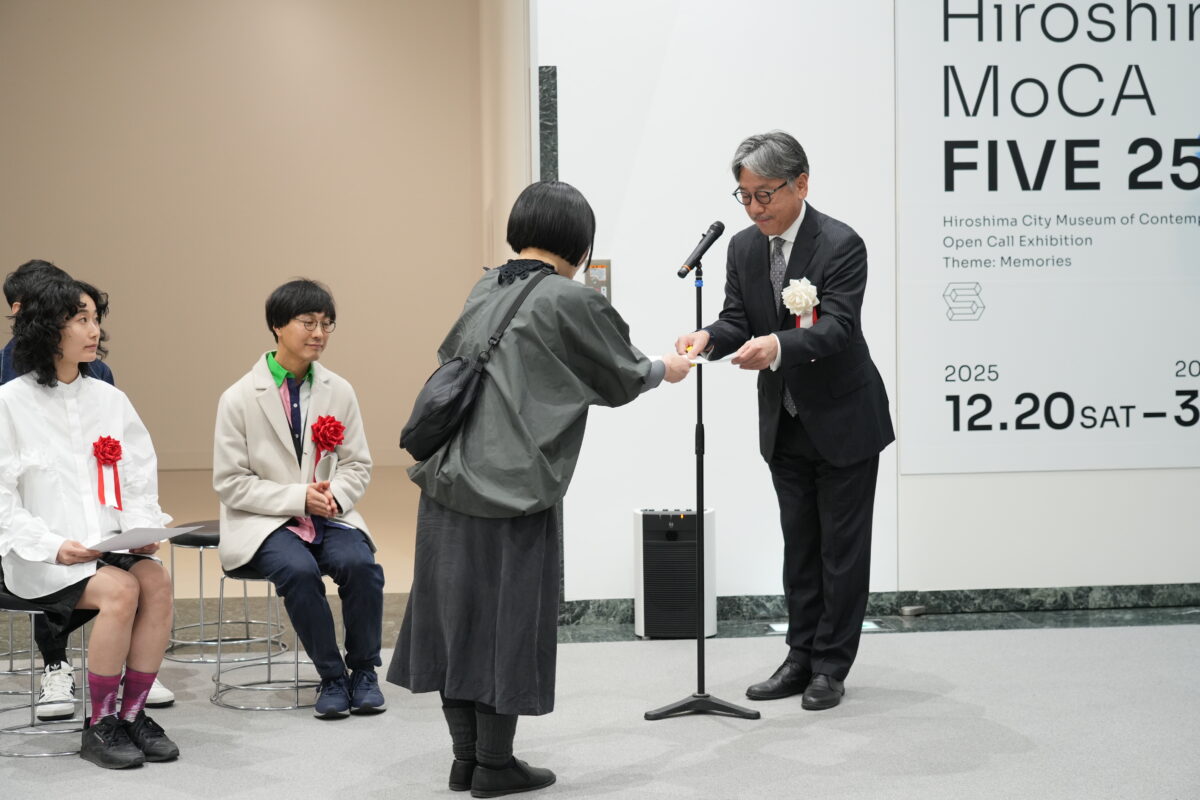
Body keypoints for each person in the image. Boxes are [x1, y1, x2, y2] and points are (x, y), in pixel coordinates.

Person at [389, 180, 691, 797]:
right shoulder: (568, 299)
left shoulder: (485, 287)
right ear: (579, 242)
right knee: (506, 622)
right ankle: (494, 765)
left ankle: (465, 759)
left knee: (454, 620)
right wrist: (669, 368)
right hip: (512, 488)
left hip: (448, 479)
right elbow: (622, 374)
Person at [675, 131, 894, 711]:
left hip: (845, 419)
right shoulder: (743, 249)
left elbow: (838, 326)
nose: (754, 208)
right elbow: (736, 319)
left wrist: (776, 345)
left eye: (764, 194)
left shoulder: (841, 244)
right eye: (744, 196)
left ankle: (831, 667)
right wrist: (708, 338)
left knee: (841, 552)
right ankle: (799, 657)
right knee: (799, 547)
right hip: (785, 421)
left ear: (801, 183)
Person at [0, 276, 180, 769]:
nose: (94, 330)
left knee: (156, 581)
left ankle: (133, 714)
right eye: (80, 320)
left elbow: (138, 479)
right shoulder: (10, 403)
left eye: (95, 319)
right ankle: (100, 724)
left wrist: (141, 531)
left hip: (104, 546)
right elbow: (2, 501)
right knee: (121, 590)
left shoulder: (110, 400)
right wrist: (53, 545)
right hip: (39, 556)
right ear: (47, 328)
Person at [213, 279, 385, 720]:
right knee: (299, 571)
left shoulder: (339, 390)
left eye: (327, 324)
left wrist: (334, 497)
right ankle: (332, 676)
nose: (319, 333)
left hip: (327, 514)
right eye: (308, 322)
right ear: (277, 325)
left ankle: (364, 671)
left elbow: (357, 464)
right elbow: (231, 482)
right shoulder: (237, 398)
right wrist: (298, 499)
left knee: (361, 565)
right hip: (265, 520)